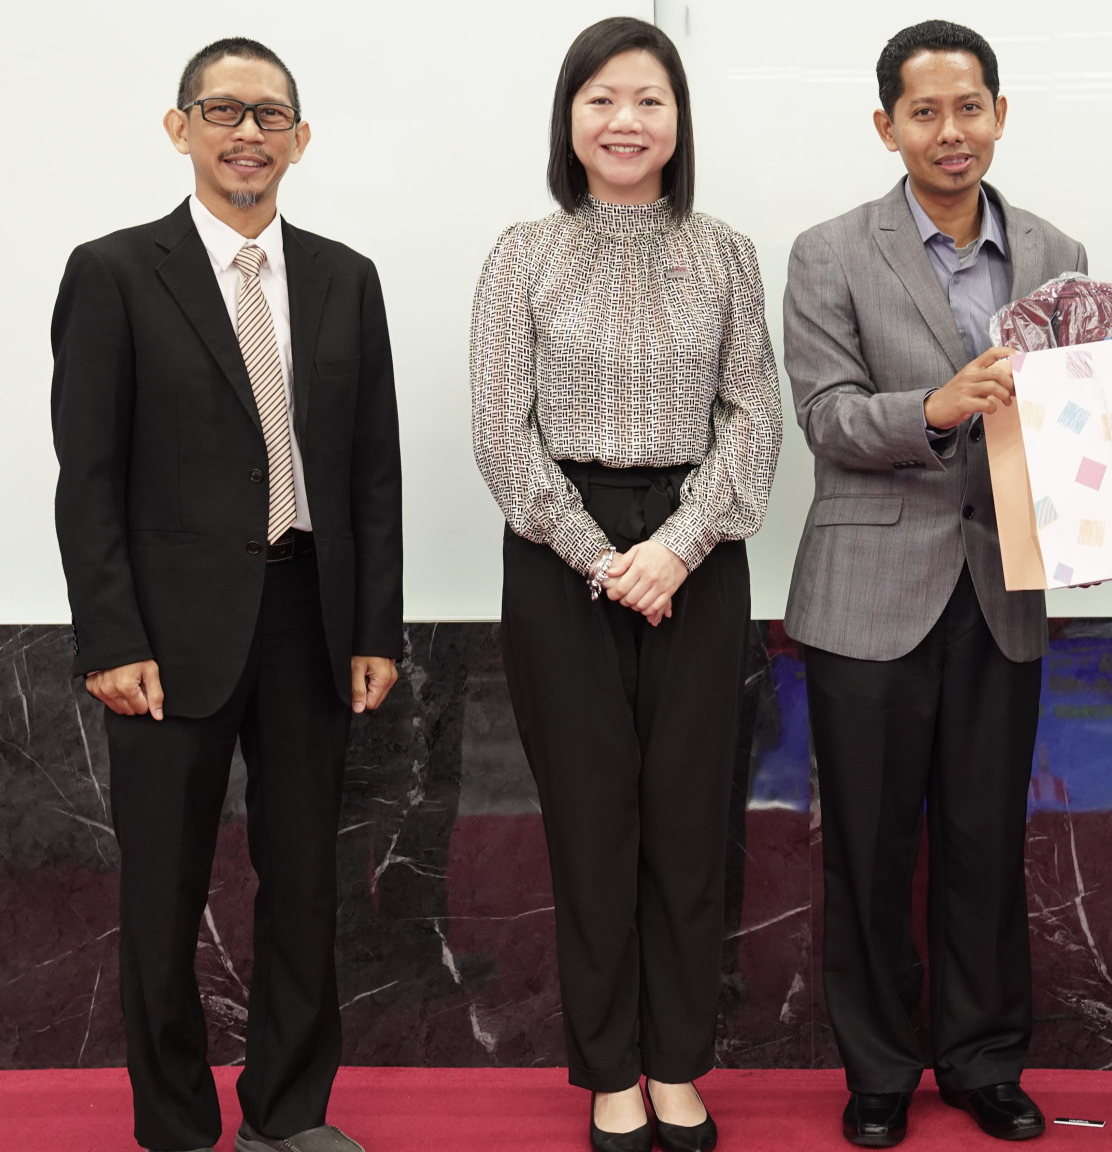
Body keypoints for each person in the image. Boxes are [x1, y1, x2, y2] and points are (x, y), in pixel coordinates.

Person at [50, 37, 402, 1152]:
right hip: (166, 633)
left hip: (310, 619)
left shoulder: (345, 278)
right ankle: (175, 1126)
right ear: (180, 128)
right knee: (163, 892)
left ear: (301, 139)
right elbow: (87, 476)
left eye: (270, 115)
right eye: (223, 111)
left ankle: (288, 1113)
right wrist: (110, 636)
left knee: (305, 884)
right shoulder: (114, 273)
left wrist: (374, 627)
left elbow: (372, 472)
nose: (248, 133)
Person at [470, 16, 782, 1152]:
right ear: (569, 119)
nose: (625, 121)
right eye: (601, 98)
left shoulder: (726, 252)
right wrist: (600, 555)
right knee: (593, 823)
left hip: (694, 553)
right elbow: (500, 434)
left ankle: (678, 1063)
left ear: (678, 120)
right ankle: (610, 1071)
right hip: (563, 561)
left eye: (649, 99)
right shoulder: (522, 253)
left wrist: (678, 546)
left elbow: (755, 419)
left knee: (688, 824)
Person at [782, 19, 1087, 1148]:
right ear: (887, 126)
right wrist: (936, 408)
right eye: (925, 112)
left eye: (968, 108)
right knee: (866, 851)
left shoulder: (1059, 251)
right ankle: (877, 1071)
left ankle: (982, 1062)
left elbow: (1076, 424)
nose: (950, 131)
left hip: (1003, 587)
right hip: (867, 588)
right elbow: (824, 416)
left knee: (985, 845)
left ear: (999, 114)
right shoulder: (828, 251)